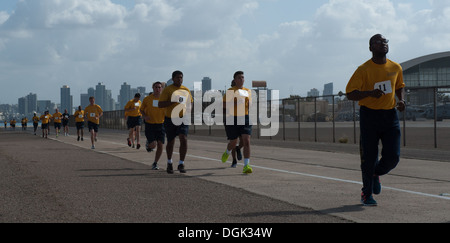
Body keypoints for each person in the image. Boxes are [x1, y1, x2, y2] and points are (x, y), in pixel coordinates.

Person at [346, 34, 406, 206]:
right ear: (370, 47)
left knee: (393, 157)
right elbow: (351, 93)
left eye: (385, 42)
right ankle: (366, 193)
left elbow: (400, 86)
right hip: (369, 116)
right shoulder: (363, 69)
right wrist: (370, 93)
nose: (383, 44)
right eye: (378, 42)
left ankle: (375, 173)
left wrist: (401, 100)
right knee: (369, 156)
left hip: (390, 116)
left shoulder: (396, 67)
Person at [158, 70, 193, 174]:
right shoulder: (168, 90)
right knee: (171, 141)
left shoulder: (185, 89)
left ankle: (181, 163)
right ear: (173, 78)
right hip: (170, 118)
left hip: (183, 118)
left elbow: (190, 102)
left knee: (184, 138)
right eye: (177, 77)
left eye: (181, 77)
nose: (180, 79)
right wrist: (172, 101)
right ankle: (169, 162)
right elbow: (160, 104)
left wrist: (189, 110)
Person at [221, 71, 253, 174]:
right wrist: (235, 102)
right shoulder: (230, 91)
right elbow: (224, 105)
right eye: (239, 77)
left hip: (244, 117)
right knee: (233, 142)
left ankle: (246, 165)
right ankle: (227, 152)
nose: (241, 79)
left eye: (243, 77)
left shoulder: (248, 91)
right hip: (232, 118)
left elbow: (250, 104)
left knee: (246, 140)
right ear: (235, 80)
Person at [141, 82, 166, 170]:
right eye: (156, 87)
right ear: (153, 88)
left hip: (161, 124)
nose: (157, 89)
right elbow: (141, 109)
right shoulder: (147, 99)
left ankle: (155, 163)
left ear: (162, 88)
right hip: (150, 125)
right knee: (153, 145)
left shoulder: (164, 99)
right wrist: (144, 116)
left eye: (159, 87)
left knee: (160, 144)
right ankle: (149, 144)